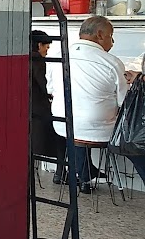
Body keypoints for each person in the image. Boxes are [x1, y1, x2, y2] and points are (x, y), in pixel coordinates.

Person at [51, 16, 145, 193]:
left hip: (63, 127)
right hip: (98, 131)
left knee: (79, 124)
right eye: (111, 36)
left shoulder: (59, 55)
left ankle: (84, 175)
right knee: (135, 140)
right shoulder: (112, 62)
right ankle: (89, 174)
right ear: (100, 35)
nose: (113, 41)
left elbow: (51, 88)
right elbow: (124, 102)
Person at [30, 30, 66, 184]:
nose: (47, 51)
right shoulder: (37, 61)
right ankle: (60, 172)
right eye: (47, 47)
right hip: (40, 111)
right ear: (39, 45)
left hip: (29, 110)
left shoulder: (20, 58)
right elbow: (46, 87)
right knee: (61, 133)